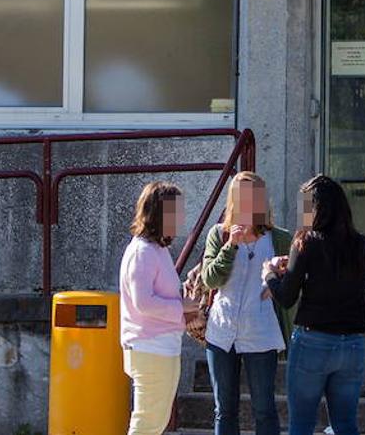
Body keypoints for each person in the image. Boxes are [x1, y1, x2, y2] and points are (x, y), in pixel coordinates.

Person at [264, 175, 365, 435]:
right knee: (345, 424)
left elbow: (287, 297)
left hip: (314, 340)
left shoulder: (306, 242)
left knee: (302, 424)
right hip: (353, 342)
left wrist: (268, 274)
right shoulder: (361, 244)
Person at [201, 171, 296, 435]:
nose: (247, 202)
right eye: (240, 196)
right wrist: (231, 246)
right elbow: (210, 280)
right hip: (222, 332)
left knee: (264, 409)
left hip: (261, 332)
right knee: (224, 410)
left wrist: (277, 278)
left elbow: (295, 283)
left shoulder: (279, 238)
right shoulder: (219, 234)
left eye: (253, 196)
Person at [119, 180, 198, 435]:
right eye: (177, 212)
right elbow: (144, 302)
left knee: (154, 421)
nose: (182, 217)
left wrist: (183, 295)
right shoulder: (143, 251)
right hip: (150, 347)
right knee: (147, 423)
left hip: (159, 347)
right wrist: (181, 306)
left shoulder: (156, 249)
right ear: (160, 214)